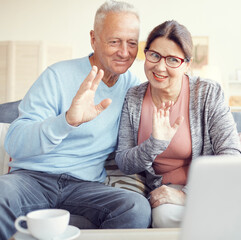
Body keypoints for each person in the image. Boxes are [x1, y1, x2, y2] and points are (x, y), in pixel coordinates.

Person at [0, 1, 151, 239]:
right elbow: (14, 142)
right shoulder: (57, 76)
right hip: (32, 179)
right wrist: (67, 121)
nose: (124, 52)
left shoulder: (133, 87)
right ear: (93, 39)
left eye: (132, 43)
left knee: (136, 208)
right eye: (114, 41)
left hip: (86, 187)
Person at [114, 20, 241, 228]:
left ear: (187, 64)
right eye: (154, 55)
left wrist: (186, 195)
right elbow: (124, 162)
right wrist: (155, 143)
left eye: (173, 59)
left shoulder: (207, 93)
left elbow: (231, 155)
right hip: (165, 192)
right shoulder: (134, 97)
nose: (160, 66)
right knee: (164, 217)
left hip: (210, 187)